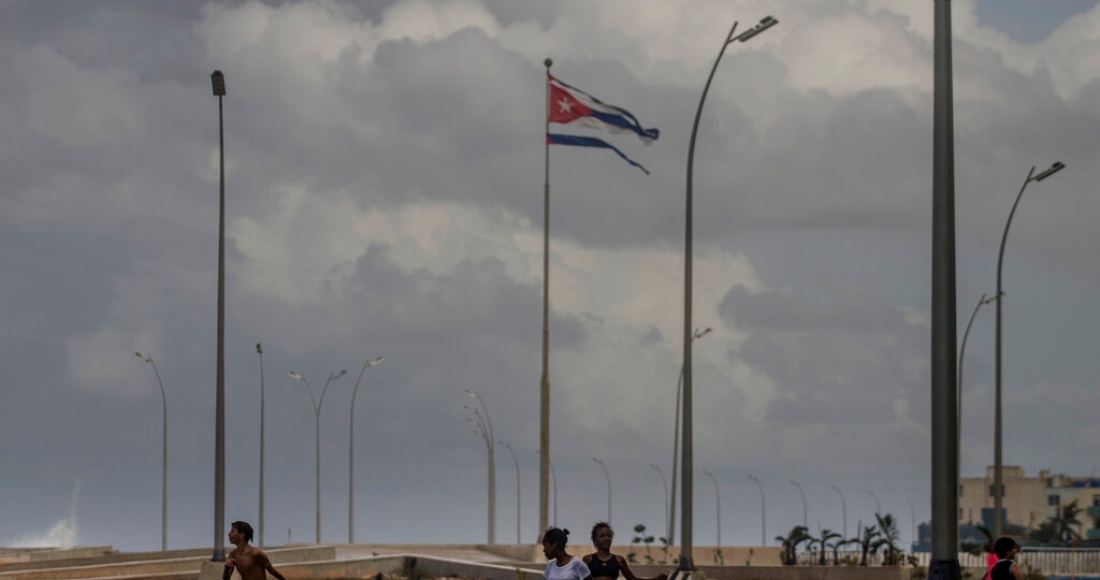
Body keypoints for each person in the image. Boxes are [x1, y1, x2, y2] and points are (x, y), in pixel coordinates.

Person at [583, 522, 667, 580]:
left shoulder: (619, 560)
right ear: (594, 540)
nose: (606, 538)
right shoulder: (588, 559)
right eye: (602, 536)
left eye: (609, 535)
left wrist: (657, 579)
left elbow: (632, 579)